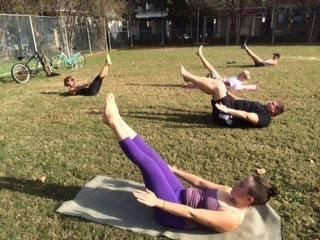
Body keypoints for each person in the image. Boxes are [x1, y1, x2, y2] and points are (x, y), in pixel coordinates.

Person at [101, 93, 279, 232]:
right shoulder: (229, 192)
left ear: (249, 199)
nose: (236, 184)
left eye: (241, 185)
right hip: (179, 193)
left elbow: (191, 213)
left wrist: (157, 202)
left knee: (149, 165)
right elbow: (200, 182)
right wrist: (176, 170)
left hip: (174, 214)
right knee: (155, 157)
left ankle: (113, 121)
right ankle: (117, 121)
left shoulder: (232, 218)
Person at [180, 66, 284, 128]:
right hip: (229, 107)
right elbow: (241, 102)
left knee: (218, 86)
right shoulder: (261, 106)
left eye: (273, 103)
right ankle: (188, 78)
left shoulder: (265, 118)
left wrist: (227, 110)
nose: (270, 102)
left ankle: (188, 76)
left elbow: (247, 115)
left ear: (274, 111)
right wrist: (228, 94)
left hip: (226, 117)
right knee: (218, 83)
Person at [185, 45, 256, 91]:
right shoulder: (238, 80)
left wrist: (222, 79)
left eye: (241, 74)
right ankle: (188, 82)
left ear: (243, 77)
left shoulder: (236, 81)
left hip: (218, 82)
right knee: (203, 79)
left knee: (209, 68)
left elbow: (227, 84)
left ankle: (199, 55)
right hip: (219, 80)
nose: (239, 73)